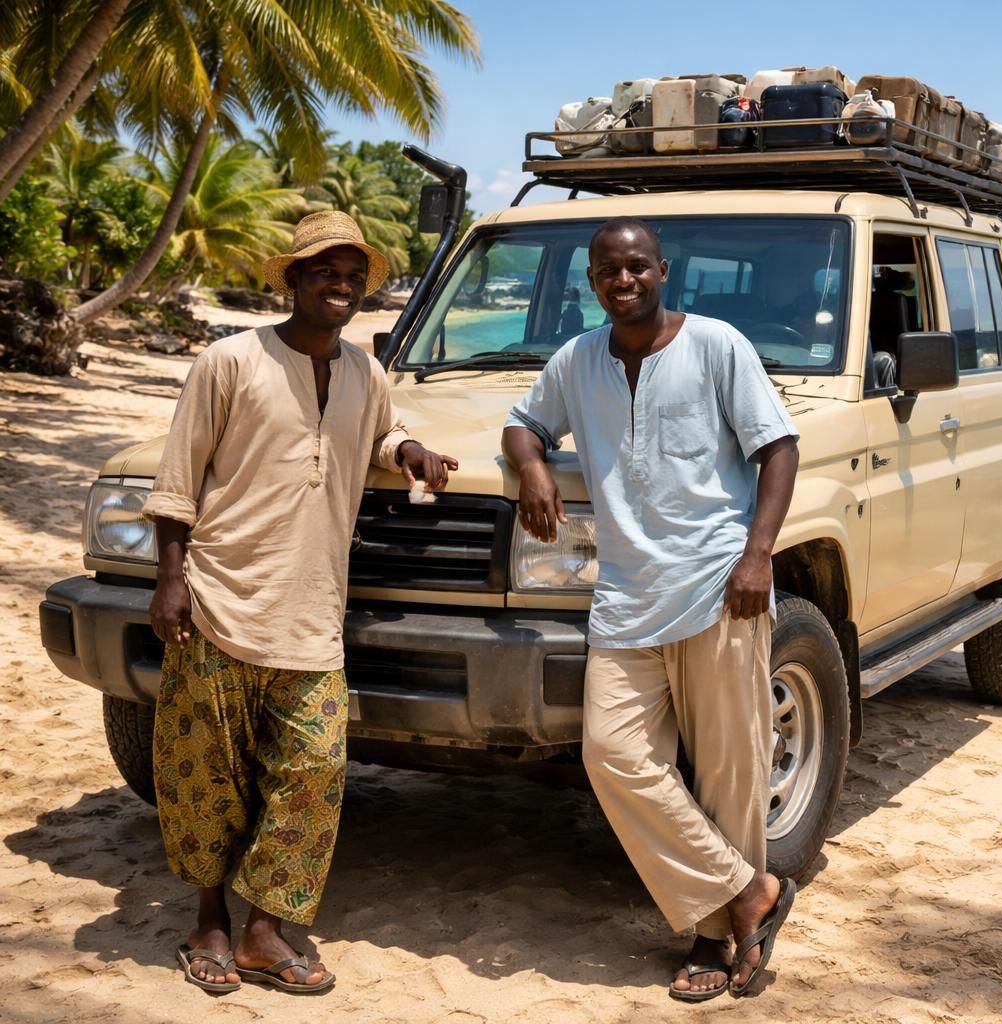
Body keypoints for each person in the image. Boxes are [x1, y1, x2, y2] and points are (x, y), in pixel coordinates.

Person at [141, 211, 457, 995]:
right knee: (204, 774)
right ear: (293, 278)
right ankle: (210, 918)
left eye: (353, 272)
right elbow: (179, 477)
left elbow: (380, 432)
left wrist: (408, 450)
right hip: (218, 597)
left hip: (314, 616)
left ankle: (264, 930)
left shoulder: (364, 372)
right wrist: (171, 576)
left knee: (313, 774)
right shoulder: (229, 361)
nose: (340, 283)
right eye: (324, 269)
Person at [502, 217, 800, 1003]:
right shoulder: (576, 360)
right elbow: (522, 423)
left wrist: (759, 554)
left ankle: (713, 937)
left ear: (664, 270)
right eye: (607, 270)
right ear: (591, 281)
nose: (622, 279)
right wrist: (532, 466)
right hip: (625, 598)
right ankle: (746, 893)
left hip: (716, 587)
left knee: (730, 773)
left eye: (637, 266)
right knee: (613, 754)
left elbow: (778, 449)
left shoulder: (716, 345)